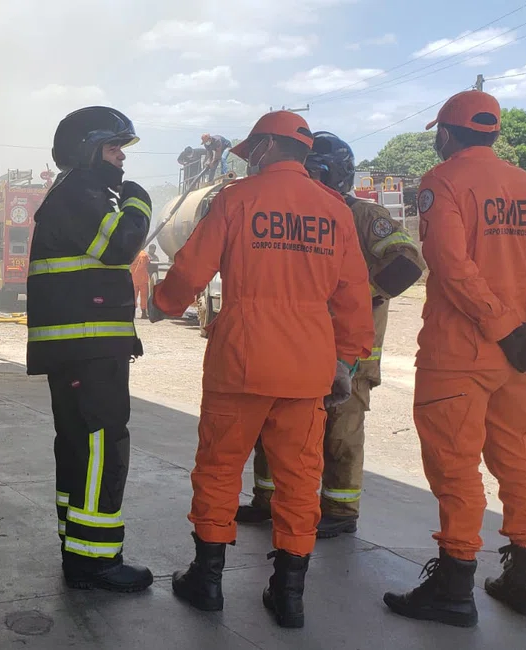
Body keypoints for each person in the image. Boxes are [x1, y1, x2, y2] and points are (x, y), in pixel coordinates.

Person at [150, 111, 374, 628]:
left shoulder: (237, 199)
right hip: (308, 368)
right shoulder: (334, 209)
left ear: (269, 148)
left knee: (218, 468)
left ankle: (207, 582)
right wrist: (345, 360)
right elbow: (353, 295)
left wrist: (162, 303)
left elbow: (192, 267)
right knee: (300, 480)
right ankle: (289, 594)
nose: (249, 160)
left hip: (241, 361)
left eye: (253, 151)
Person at [383, 90, 526, 628]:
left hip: (459, 353)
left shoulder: (443, 181)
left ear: (446, 133)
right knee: (518, 462)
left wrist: (504, 328)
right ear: (492, 133)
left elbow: (449, 262)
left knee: (455, 466)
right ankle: (524, 581)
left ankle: (453, 586)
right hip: (516, 360)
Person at [235, 132, 425, 538]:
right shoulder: (296, 212)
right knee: (275, 426)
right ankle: (268, 499)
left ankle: (339, 508)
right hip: (297, 346)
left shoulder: (363, 215)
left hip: (350, 352)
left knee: (340, 430)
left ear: (334, 174)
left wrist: (355, 294)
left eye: (312, 172)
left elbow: (407, 263)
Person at [27, 106, 154, 593]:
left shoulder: (73, 192)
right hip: (89, 347)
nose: (121, 157)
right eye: (113, 146)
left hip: (78, 346)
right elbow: (120, 245)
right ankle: (95, 561)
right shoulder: (82, 191)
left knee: (79, 446)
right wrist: (139, 201)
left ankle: (78, 547)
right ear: (88, 149)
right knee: (102, 446)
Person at [130, 246, 151, 319]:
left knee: (133, 296)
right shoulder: (144, 254)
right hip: (142, 279)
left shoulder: (132, 254)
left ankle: (133, 314)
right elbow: (148, 263)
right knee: (144, 296)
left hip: (133, 278)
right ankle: (143, 314)